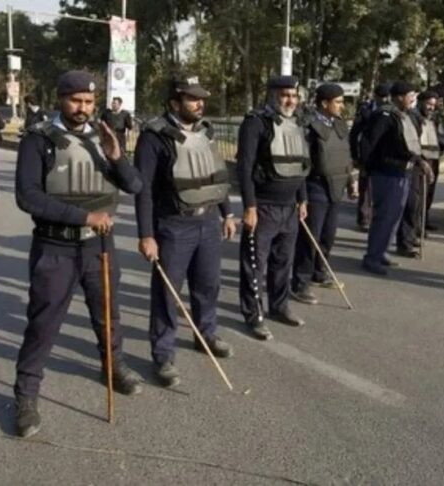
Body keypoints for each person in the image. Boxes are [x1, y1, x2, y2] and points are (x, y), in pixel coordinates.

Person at [13, 71, 144, 438]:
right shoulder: (39, 139)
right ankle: (26, 395)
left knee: (108, 315)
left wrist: (116, 155)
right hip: (55, 246)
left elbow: (134, 185)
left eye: (88, 102)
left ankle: (112, 365)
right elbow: (28, 196)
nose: (82, 108)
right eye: (75, 101)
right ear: (60, 98)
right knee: (43, 324)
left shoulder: (102, 138)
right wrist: (85, 216)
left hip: (98, 245)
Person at [134, 74, 237, 387]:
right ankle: (163, 354)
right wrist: (146, 234)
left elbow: (215, 175)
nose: (199, 103)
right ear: (174, 102)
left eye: (201, 97)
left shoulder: (206, 131)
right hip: (173, 225)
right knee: (168, 293)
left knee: (208, 284)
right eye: (192, 98)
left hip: (206, 221)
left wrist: (227, 213)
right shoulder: (154, 136)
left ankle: (206, 333)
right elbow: (144, 190)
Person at [237, 75, 309, 340]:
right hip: (264, 207)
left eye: (293, 95)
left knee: (283, 262)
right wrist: (250, 206)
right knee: (255, 265)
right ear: (272, 95)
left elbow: (300, 164)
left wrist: (302, 199)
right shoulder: (255, 123)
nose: (289, 100)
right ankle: (253, 315)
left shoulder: (297, 124)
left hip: (289, 208)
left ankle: (279, 307)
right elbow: (244, 168)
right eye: (284, 95)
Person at [359, 81, 432, 275]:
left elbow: (410, 145)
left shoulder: (405, 116)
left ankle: (381, 252)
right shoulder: (384, 116)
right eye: (411, 96)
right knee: (385, 217)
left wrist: (420, 161)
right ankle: (372, 257)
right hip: (387, 172)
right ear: (400, 97)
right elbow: (368, 143)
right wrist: (366, 168)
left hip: (404, 172)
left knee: (394, 217)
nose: (414, 101)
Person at [290, 83, 353, 305]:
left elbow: (346, 155)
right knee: (310, 238)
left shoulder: (339, 124)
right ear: (324, 103)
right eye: (337, 102)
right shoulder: (309, 126)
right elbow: (302, 163)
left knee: (328, 236)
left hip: (336, 187)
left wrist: (351, 181)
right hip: (316, 188)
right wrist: (302, 197)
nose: (341, 106)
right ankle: (300, 283)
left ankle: (320, 272)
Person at [396, 90, 444, 255]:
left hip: (430, 161)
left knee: (422, 202)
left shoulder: (433, 118)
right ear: (420, 102)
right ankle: (404, 242)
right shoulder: (412, 117)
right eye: (428, 104)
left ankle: (414, 234)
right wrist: (419, 160)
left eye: (434, 105)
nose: (431, 108)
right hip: (416, 163)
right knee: (412, 204)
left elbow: (439, 137)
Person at [350, 83, 391, 231]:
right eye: (381, 97)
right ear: (375, 97)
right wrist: (355, 155)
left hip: (384, 156)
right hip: (367, 154)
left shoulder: (391, 111)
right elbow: (355, 133)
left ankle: (378, 217)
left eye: (386, 97)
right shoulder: (365, 111)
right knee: (365, 187)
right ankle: (364, 219)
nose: (384, 100)